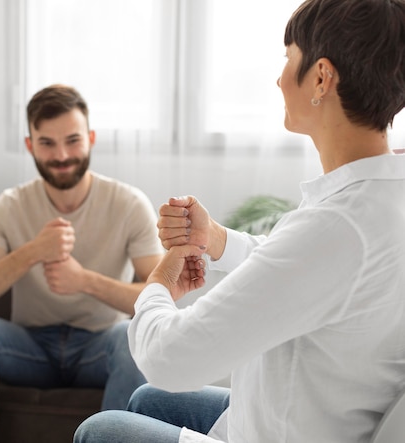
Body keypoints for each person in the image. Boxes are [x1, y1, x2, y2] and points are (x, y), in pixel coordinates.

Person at [74, 0, 405, 442]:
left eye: (288, 60)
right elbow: (303, 268)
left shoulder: (339, 227)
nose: (279, 78)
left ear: (322, 78)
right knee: (147, 401)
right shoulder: (379, 199)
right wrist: (214, 238)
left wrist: (157, 285)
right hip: (317, 412)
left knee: (102, 430)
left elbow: (169, 359)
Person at [0, 84, 165, 442]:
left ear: (91, 138)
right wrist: (33, 251)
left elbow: (162, 297)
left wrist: (84, 281)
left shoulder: (128, 203)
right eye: (47, 143)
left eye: (72, 140)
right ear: (30, 145)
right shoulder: (10, 205)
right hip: (30, 348)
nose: (61, 155)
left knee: (130, 336)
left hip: (100, 344)